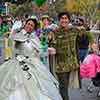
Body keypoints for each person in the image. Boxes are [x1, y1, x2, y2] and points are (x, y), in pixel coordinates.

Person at [0, 18, 62, 100]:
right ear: (25, 24)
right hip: (18, 65)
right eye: (28, 24)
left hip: (33, 64)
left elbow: (39, 53)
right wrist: (13, 33)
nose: (29, 26)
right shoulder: (17, 35)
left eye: (32, 25)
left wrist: (48, 51)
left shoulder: (34, 38)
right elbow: (12, 45)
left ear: (34, 28)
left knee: (40, 86)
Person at [50, 12, 80, 100]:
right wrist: (52, 48)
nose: (64, 20)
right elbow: (51, 44)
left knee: (67, 86)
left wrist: (93, 43)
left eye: (66, 18)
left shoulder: (74, 30)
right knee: (63, 87)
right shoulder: (54, 32)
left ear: (68, 20)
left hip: (72, 64)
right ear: (59, 20)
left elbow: (87, 34)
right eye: (62, 18)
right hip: (60, 65)